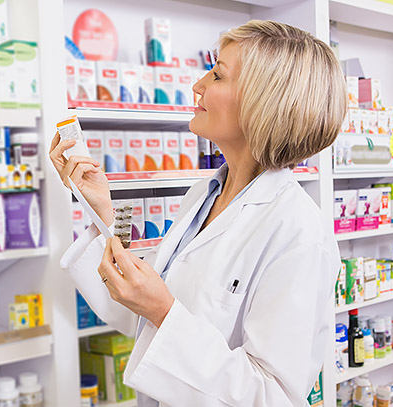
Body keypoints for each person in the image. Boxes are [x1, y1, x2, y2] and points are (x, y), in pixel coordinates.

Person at [51, 20, 345, 406]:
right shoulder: (202, 197)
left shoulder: (299, 233)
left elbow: (273, 396)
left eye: (218, 75)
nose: (198, 85)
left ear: (264, 103)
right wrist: (101, 213)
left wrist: (163, 311)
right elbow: (136, 310)